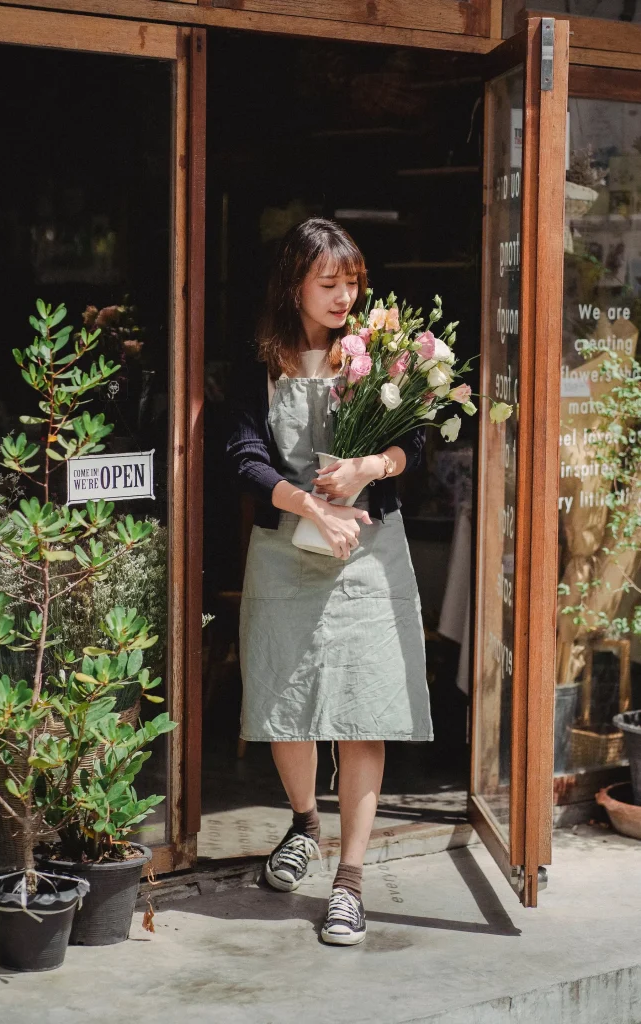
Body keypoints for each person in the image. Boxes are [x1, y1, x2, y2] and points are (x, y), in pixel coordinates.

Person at [226, 218, 433, 946]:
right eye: (328, 283)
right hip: (287, 548)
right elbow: (243, 453)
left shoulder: (379, 354)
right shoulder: (260, 359)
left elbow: (414, 438)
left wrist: (366, 469)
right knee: (289, 698)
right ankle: (304, 824)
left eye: (352, 282)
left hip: (369, 551)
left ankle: (349, 881)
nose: (345, 296)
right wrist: (309, 499)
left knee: (363, 707)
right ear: (294, 284)